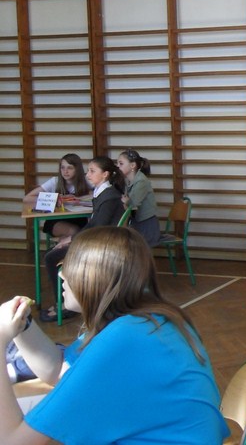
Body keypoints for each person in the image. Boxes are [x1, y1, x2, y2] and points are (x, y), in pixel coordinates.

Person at [0, 226, 229, 444]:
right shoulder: (145, 320)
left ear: (94, 276)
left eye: (69, 265)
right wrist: (23, 325)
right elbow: (59, 370)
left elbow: (10, 441)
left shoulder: (124, 338)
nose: (61, 275)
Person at [40, 156, 125, 323]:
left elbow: (97, 227)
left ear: (105, 174)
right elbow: (93, 224)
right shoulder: (103, 192)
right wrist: (71, 239)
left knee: (51, 257)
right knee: (52, 252)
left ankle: (64, 306)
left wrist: (72, 239)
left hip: (102, 246)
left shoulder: (109, 196)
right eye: (88, 171)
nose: (87, 175)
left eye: (92, 171)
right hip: (97, 241)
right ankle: (67, 300)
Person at [23, 153, 91, 239]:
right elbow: (27, 198)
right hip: (56, 221)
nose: (65, 171)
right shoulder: (54, 181)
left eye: (70, 168)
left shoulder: (86, 181)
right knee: (73, 231)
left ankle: (61, 245)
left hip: (80, 219)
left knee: (81, 234)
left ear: (77, 169)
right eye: (62, 167)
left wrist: (83, 198)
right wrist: (53, 199)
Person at [117, 148, 159, 247]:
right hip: (137, 223)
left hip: (147, 225)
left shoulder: (141, 181)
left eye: (121, 163)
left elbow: (133, 204)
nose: (117, 166)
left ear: (132, 165)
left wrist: (126, 201)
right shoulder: (127, 180)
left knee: (132, 248)